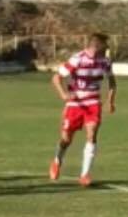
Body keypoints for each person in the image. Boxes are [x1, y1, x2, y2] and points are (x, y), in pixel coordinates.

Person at [49, 33, 116, 187]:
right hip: (75, 104)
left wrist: (110, 101)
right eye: (105, 45)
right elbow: (56, 78)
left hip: (93, 103)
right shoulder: (77, 59)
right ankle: (57, 160)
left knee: (92, 135)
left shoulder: (105, 61)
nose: (107, 48)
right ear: (97, 46)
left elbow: (112, 81)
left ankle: (84, 175)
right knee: (66, 139)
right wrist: (63, 94)